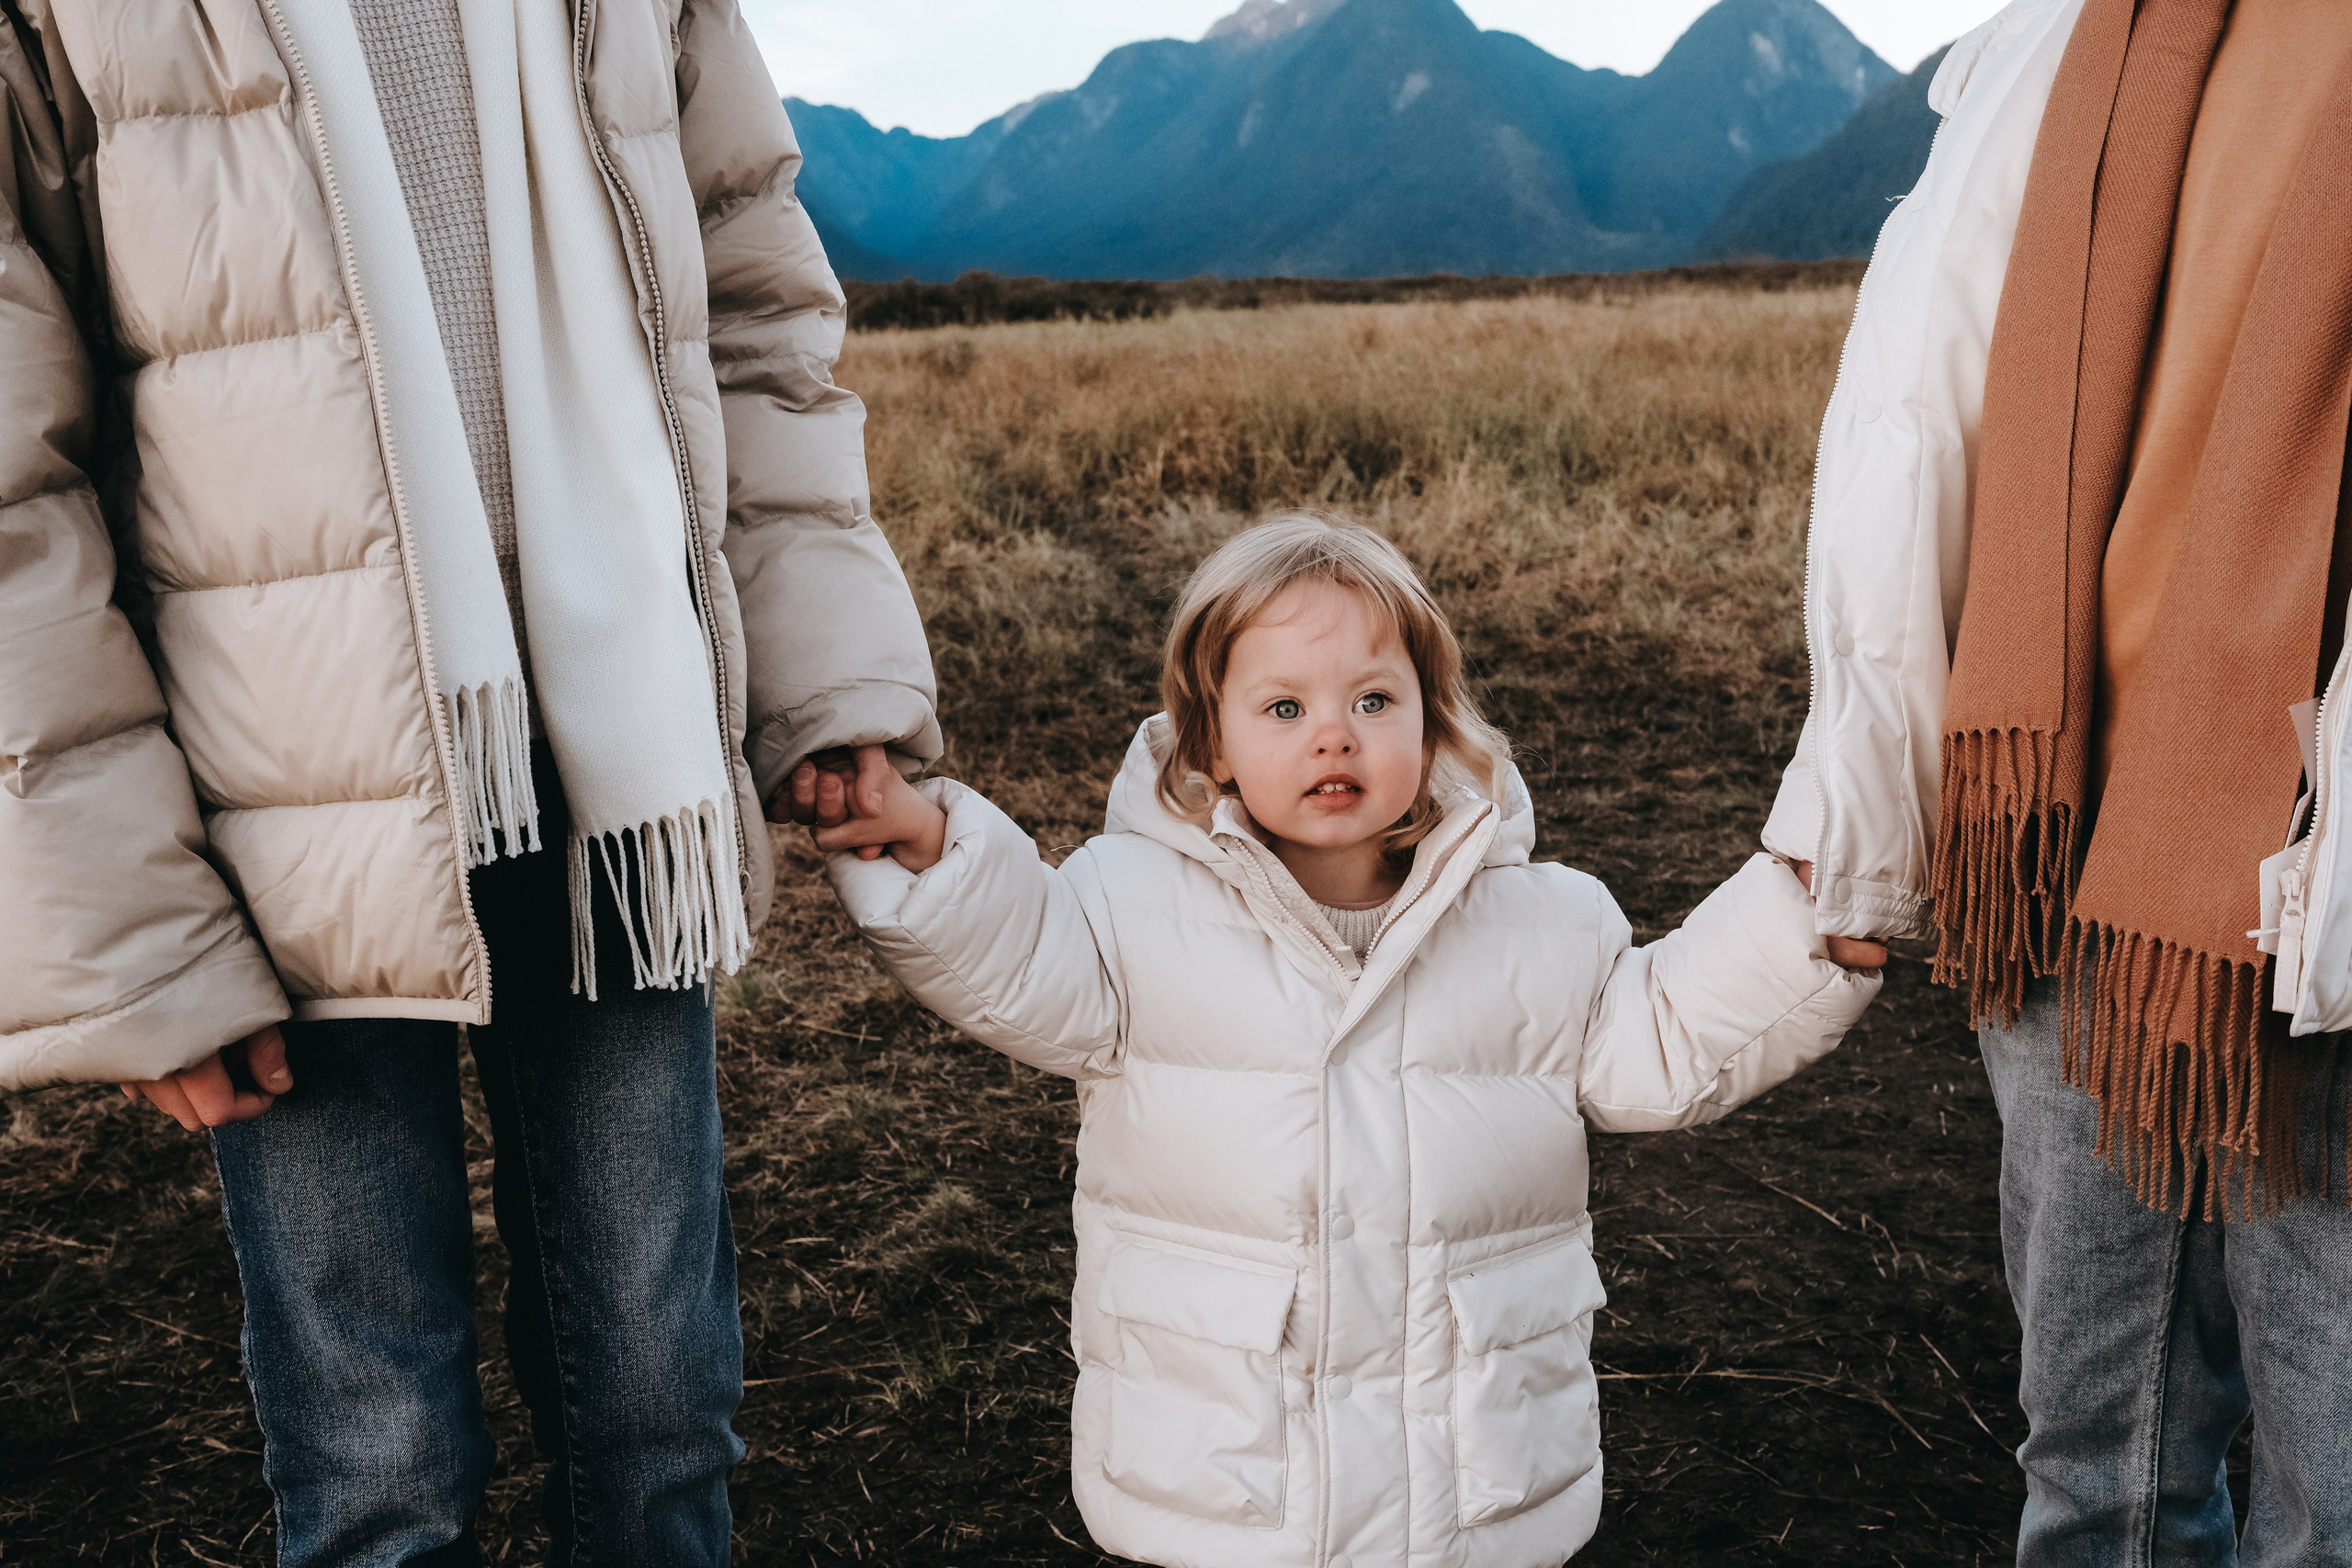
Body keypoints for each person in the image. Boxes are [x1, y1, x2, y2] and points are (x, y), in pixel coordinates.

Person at [0, 0, 937, 1560]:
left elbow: (750, 290)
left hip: (617, 752)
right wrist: (130, 933)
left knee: (663, 1422)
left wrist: (823, 664)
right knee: (381, 1476)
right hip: (286, 794)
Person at [790, 514, 1883, 1567]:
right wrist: (931, 844)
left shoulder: (1542, 923)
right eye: (1281, 707)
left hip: (1468, 1474)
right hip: (1230, 1482)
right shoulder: (1125, 914)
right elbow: (1016, 955)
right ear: (1207, 743)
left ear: (1433, 722)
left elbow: (1659, 1041)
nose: (1333, 733)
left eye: (1373, 698)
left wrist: (1795, 926)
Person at [1771, 0, 2352, 1558]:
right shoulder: (2069, 33)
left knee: (2341, 1495)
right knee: (2096, 1470)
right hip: (2070, 841)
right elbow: (1918, 418)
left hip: (2334, 886)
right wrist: (1875, 801)